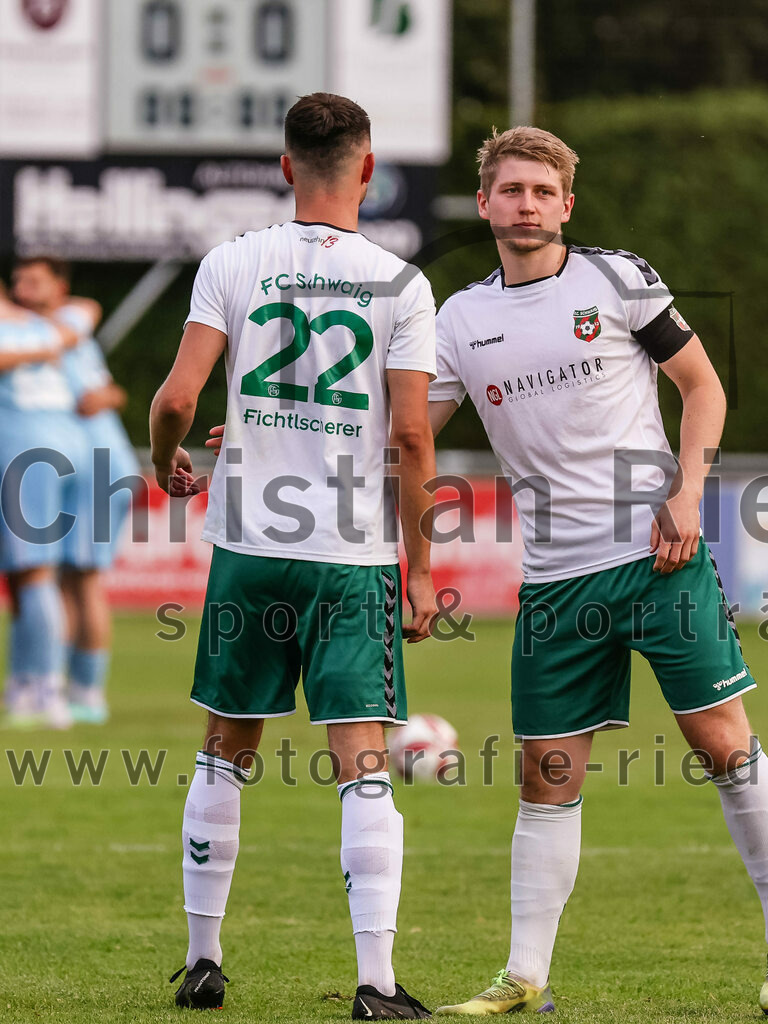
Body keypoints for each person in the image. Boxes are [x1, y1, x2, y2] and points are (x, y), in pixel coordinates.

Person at [426, 127, 768, 1016]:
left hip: (655, 556)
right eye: (510, 189)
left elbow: (702, 386)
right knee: (546, 779)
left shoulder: (616, 279)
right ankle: (524, 977)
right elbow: (406, 432)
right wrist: (261, 436)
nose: (526, 203)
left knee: (721, 743)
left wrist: (688, 494)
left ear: (567, 204)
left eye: (542, 191)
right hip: (556, 580)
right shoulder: (458, 320)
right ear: (483, 203)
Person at [150, 93, 437, 1018]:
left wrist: (169, 463)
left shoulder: (232, 262)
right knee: (361, 761)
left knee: (224, 752)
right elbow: (409, 436)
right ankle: (375, 983)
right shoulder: (400, 282)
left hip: (247, 546)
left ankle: (202, 962)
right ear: (365, 167)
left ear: (285, 165)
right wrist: (421, 565)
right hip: (348, 553)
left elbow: (173, 400)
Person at [10, 256, 140, 725]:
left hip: (97, 463)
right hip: (84, 461)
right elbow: (110, 392)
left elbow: (99, 395)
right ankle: (63, 687)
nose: (24, 289)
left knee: (79, 578)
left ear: (58, 287)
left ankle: (83, 692)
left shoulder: (58, 327)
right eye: (19, 280)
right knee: (65, 576)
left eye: (35, 281)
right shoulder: (51, 331)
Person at [0, 277, 88, 729]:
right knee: (23, 575)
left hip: (27, 452)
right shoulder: (43, 325)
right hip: (65, 445)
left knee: (35, 572)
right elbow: (85, 309)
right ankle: (24, 683)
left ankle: (48, 689)